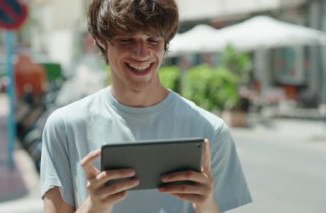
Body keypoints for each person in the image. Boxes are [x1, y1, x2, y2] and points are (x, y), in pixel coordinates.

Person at [40, 0, 252, 212]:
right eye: (126, 40)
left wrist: (206, 206)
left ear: (166, 41)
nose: (141, 53)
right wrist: (94, 206)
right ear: (101, 41)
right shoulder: (64, 127)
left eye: (153, 40)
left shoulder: (211, 130)